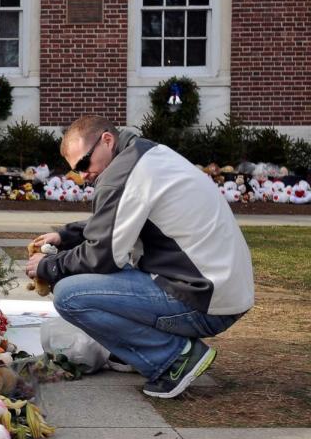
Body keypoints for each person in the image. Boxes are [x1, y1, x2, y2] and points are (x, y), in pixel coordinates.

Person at [27, 115, 253, 398]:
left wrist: (48, 266)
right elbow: (119, 221)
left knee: (69, 294)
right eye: (76, 171)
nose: (83, 176)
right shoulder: (144, 156)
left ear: (107, 140)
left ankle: (173, 358)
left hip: (204, 298)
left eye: (84, 164)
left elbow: (103, 255)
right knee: (90, 279)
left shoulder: (123, 176)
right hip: (218, 290)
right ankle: (137, 350)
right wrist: (66, 236)